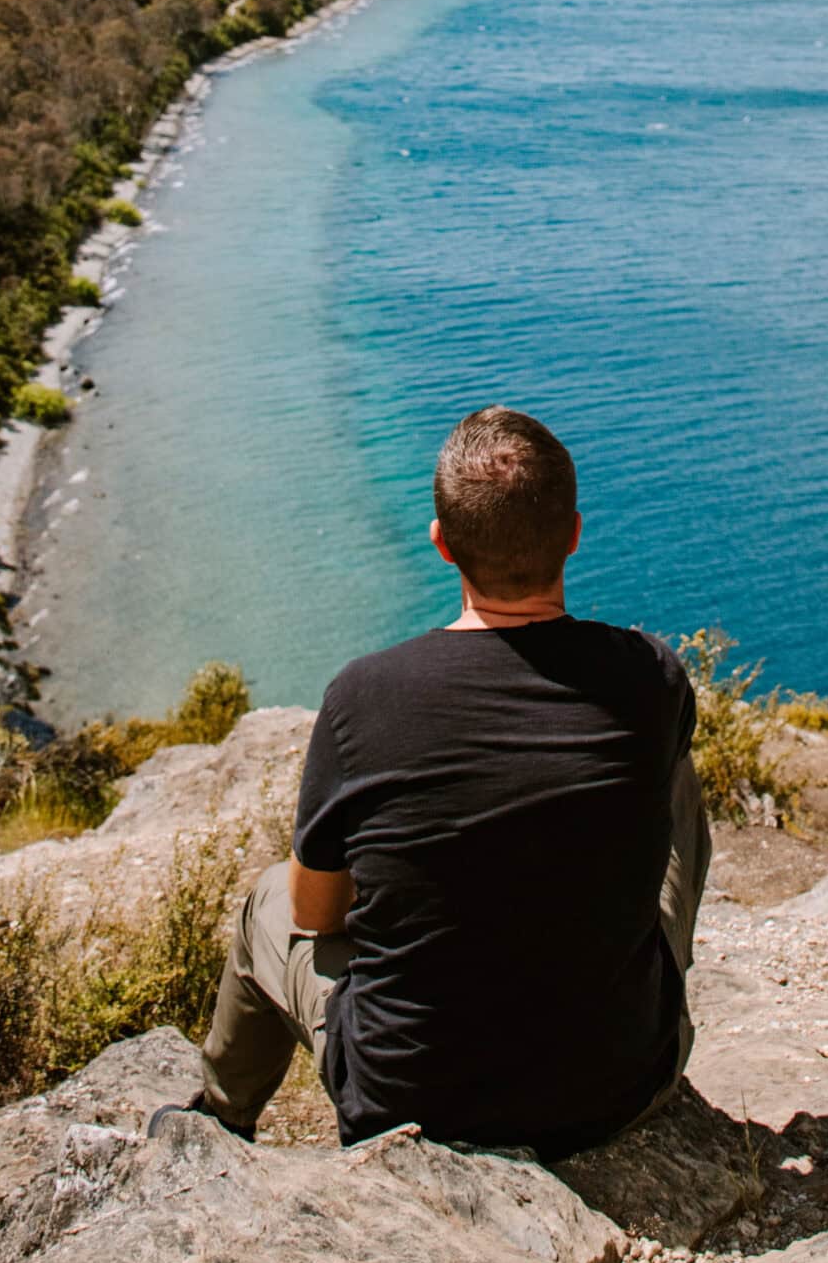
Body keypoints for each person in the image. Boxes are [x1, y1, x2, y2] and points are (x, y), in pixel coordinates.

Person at [149, 405, 709, 1161]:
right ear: (574, 535)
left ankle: (222, 1116)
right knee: (676, 773)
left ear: (442, 544)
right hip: (620, 1090)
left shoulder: (367, 696)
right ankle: (615, 982)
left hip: (412, 1111)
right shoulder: (652, 676)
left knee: (267, 901)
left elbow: (318, 913)